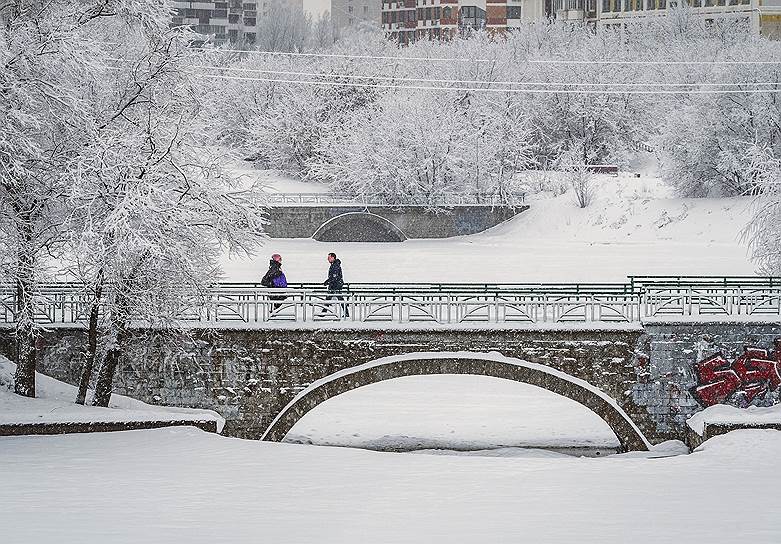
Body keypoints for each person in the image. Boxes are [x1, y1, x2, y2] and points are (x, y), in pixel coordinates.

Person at [321, 252, 348, 318]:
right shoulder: (334, 264)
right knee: (330, 298)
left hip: (336, 285)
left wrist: (327, 281)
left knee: (338, 299)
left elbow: (334, 276)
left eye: (329, 258)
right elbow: (333, 276)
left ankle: (346, 313)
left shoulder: (335, 265)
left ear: (333, 258)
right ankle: (323, 312)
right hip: (335, 284)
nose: (328, 259)